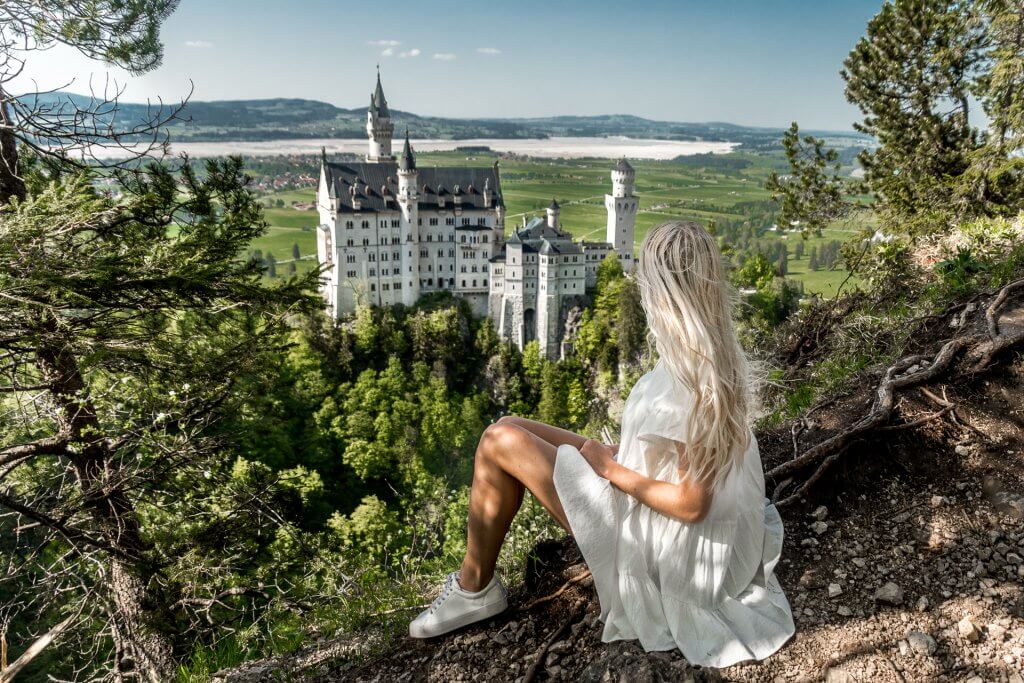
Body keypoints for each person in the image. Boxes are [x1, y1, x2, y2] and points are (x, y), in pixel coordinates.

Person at [409, 221, 795, 667]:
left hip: (664, 551)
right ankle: (474, 584)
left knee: (498, 441)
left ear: (663, 295)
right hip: (685, 526)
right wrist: (611, 456)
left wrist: (611, 470)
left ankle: (474, 588)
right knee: (510, 423)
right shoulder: (715, 358)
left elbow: (693, 505)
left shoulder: (687, 384)